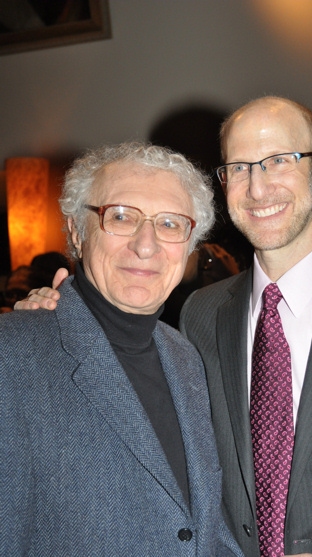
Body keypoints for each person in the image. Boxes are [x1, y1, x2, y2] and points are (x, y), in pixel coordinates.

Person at [16, 97, 312, 557]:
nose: (258, 188)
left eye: (279, 161)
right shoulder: (200, 315)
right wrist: (48, 318)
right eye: (239, 167)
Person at [0, 142, 244, 557]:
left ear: (188, 246)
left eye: (169, 224)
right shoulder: (13, 356)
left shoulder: (186, 358)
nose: (145, 245)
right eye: (121, 217)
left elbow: (202, 528)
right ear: (77, 231)